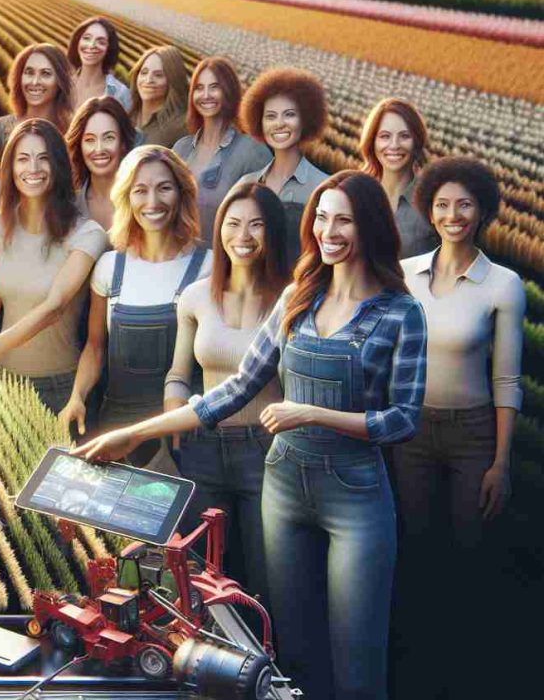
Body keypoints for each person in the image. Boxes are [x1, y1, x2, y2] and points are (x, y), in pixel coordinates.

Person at [79, 170, 426, 700]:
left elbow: (403, 419)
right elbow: (234, 390)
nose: (330, 231)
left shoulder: (401, 313)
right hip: (284, 487)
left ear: (372, 226)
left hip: (355, 496)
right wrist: (134, 432)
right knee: (289, 647)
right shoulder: (298, 298)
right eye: (323, 218)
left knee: (357, 656)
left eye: (345, 220)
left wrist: (312, 414)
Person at [395, 157, 522, 698]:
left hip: (473, 434)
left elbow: (507, 379)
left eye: (465, 204)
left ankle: (471, 667)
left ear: (483, 211)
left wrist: (501, 461)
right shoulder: (405, 274)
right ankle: (416, 664)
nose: (453, 215)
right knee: (415, 547)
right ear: (429, 209)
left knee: (470, 551)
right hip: (412, 431)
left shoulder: (503, 283)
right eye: (443, 205)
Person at [163, 181, 292, 598]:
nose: (244, 236)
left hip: (267, 450)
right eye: (233, 224)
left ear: (273, 231)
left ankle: (269, 660)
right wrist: (173, 414)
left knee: (266, 575)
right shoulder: (197, 296)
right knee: (203, 575)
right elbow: (179, 374)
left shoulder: (291, 300)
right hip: (203, 448)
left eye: (256, 225)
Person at [0, 119, 108, 414]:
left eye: (44, 159)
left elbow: (54, 307)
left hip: (59, 389)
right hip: (1, 383)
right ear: (10, 168)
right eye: (23, 159)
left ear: (58, 166)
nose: (33, 168)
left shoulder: (88, 234)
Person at [62, 145, 209, 469]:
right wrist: (78, 395)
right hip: (117, 431)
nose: (152, 202)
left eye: (164, 188)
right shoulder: (108, 268)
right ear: (126, 198)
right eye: (140, 190)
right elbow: (95, 347)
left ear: (182, 193)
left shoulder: (207, 268)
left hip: (180, 433)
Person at [234, 67, 330, 264]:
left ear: (305, 119)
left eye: (289, 115)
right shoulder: (245, 184)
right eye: (270, 116)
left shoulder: (323, 188)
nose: (279, 124)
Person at [172, 57, 270, 244]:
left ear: (229, 92)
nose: (206, 95)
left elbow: (266, 219)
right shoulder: (180, 149)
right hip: (179, 260)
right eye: (199, 88)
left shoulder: (252, 151)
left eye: (214, 87)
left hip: (223, 264)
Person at [358, 97, 437, 258]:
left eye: (404, 136)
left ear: (417, 141)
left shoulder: (433, 202)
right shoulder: (355, 195)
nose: (394, 145)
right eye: (385, 136)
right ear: (372, 142)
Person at [68, 95, 140, 231]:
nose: (99, 149)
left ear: (123, 143)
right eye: (90, 140)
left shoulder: (142, 199)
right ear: (79, 146)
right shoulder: (69, 206)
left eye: (109, 138)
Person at [0, 43, 77, 146]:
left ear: (60, 81)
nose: (35, 82)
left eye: (45, 73)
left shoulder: (74, 133)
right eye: (29, 72)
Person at [127, 45, 189, 149]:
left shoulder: (180, 127)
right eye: (144, 73)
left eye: (158, 75)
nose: (148, 80)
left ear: (173, 79)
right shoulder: (127, 114)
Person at [67, 16, 132, 110]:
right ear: (77, 41)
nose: (92, 45)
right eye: (86, 38)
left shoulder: (120, 93)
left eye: (101, 42)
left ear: (109, 49)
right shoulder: (61, 86)